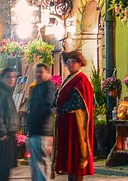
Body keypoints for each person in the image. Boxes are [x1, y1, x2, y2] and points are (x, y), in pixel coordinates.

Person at [54, 50, 94, 181]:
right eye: (68, 62)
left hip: (75, 124)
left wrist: (60, 110)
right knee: (69, 161)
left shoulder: (81, 79)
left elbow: (77, 102)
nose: (70, 65)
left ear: (80, 63)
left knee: (76, 158)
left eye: (73, 62)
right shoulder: (70, 78)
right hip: (67, 124)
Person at [27, 63, 57, 181]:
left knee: (42, 166)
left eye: (41, 72)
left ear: (47, 73)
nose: (38, 74)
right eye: (37, 72)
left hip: (43, 131)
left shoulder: (48, 87)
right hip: (34, 132)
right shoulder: (36, 88)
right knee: (35, 166)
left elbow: (48, 108)